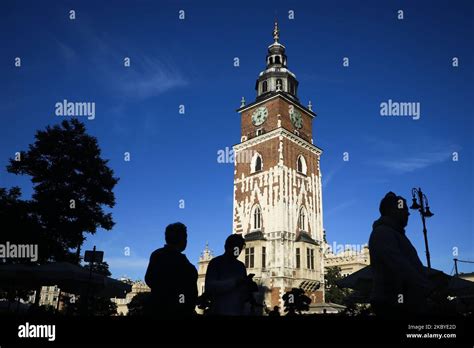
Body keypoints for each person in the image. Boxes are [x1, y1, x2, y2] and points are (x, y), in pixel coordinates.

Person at [369, 192, 433, 317]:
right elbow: (400, 266)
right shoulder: (384, 233)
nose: (408, 213)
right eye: (403, 209)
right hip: (396, 304)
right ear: (392, 210)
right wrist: (426, 287)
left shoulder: (394, 233)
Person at [145, 222, 198, 318]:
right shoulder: (186, 265)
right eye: (185, 238)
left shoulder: (157, 255)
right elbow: (190, 293)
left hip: (156, 308)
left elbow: (149, 279)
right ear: (182, 239)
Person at [205, 234, 253, 315]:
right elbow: (209, 287)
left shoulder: (241, 266)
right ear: (227, 246)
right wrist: (235, 282)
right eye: (236, 247)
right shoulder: (216, 263)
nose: (238, 251)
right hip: (219, 310)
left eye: (240, 248)